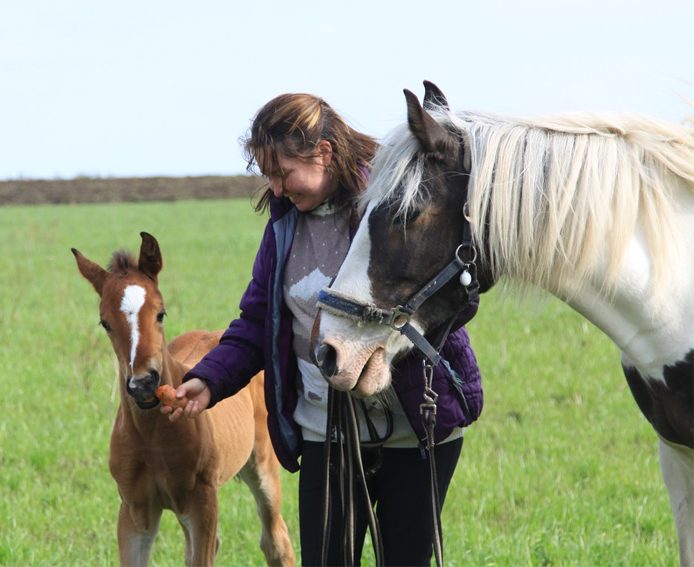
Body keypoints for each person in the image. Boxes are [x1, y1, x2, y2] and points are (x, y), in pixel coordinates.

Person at [161, 93, 483, 566]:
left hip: (415, 431)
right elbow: (257, 323)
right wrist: (209, 379)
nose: (275, 189)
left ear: (324, 153)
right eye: (267, 176)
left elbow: (459, 294)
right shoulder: (283, 230)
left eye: (283, 173)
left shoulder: (400, 205)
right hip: (325, 435)